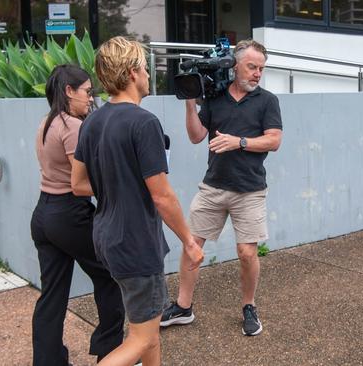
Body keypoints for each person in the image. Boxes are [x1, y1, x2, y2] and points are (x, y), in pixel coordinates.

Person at [71, 36, 204, 366]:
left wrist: (118, 184)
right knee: (142, 338)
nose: (148, 75)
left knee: (148, 328)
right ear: (132, 73)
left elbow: (79, 184)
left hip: (107, 237)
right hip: (135, 241)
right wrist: (189, 241)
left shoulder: (92, 121)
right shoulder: (144, 123)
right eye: (145, 68)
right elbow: (161, 195)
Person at [161, 39, 283, 336]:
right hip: (213, 186)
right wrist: (191, 102)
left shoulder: (267, 101)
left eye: (261, 69)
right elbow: (195, 136)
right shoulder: (214, 99)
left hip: (250, 190)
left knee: (246, 253)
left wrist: (238, 142)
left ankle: (249, 306)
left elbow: (274, 140)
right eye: (252, 67)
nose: (257, 73)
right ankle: (183, 307)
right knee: (192, 247)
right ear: (235, 65)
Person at [30, 64, 125, 365]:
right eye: (87, 91)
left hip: (44, 214)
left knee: (52, 295)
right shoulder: (73, 126)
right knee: (110, 276)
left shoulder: (47, 122)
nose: (90, 98)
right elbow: (83, 181)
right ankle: (110, 353)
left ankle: (48, 361)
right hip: (69, 215)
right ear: (69, 92)